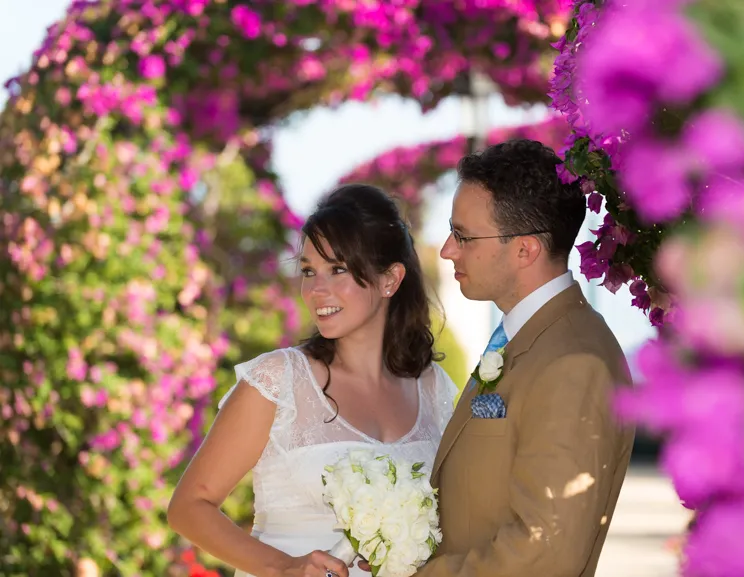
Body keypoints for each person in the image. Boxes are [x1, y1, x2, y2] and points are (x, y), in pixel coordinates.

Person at [168, 184, 458, 577]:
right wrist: (284, 567)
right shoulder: (278, 381)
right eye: (308, 270)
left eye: (338, 269)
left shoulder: (434, 388)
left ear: (391, 279)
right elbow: (189, 506)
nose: (316, 289)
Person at [419, 139, 635, 577]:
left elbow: (544, 554)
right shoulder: (528, 338)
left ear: (525, 250)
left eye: (463, 235)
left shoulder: (573, 363)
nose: (447, 250)